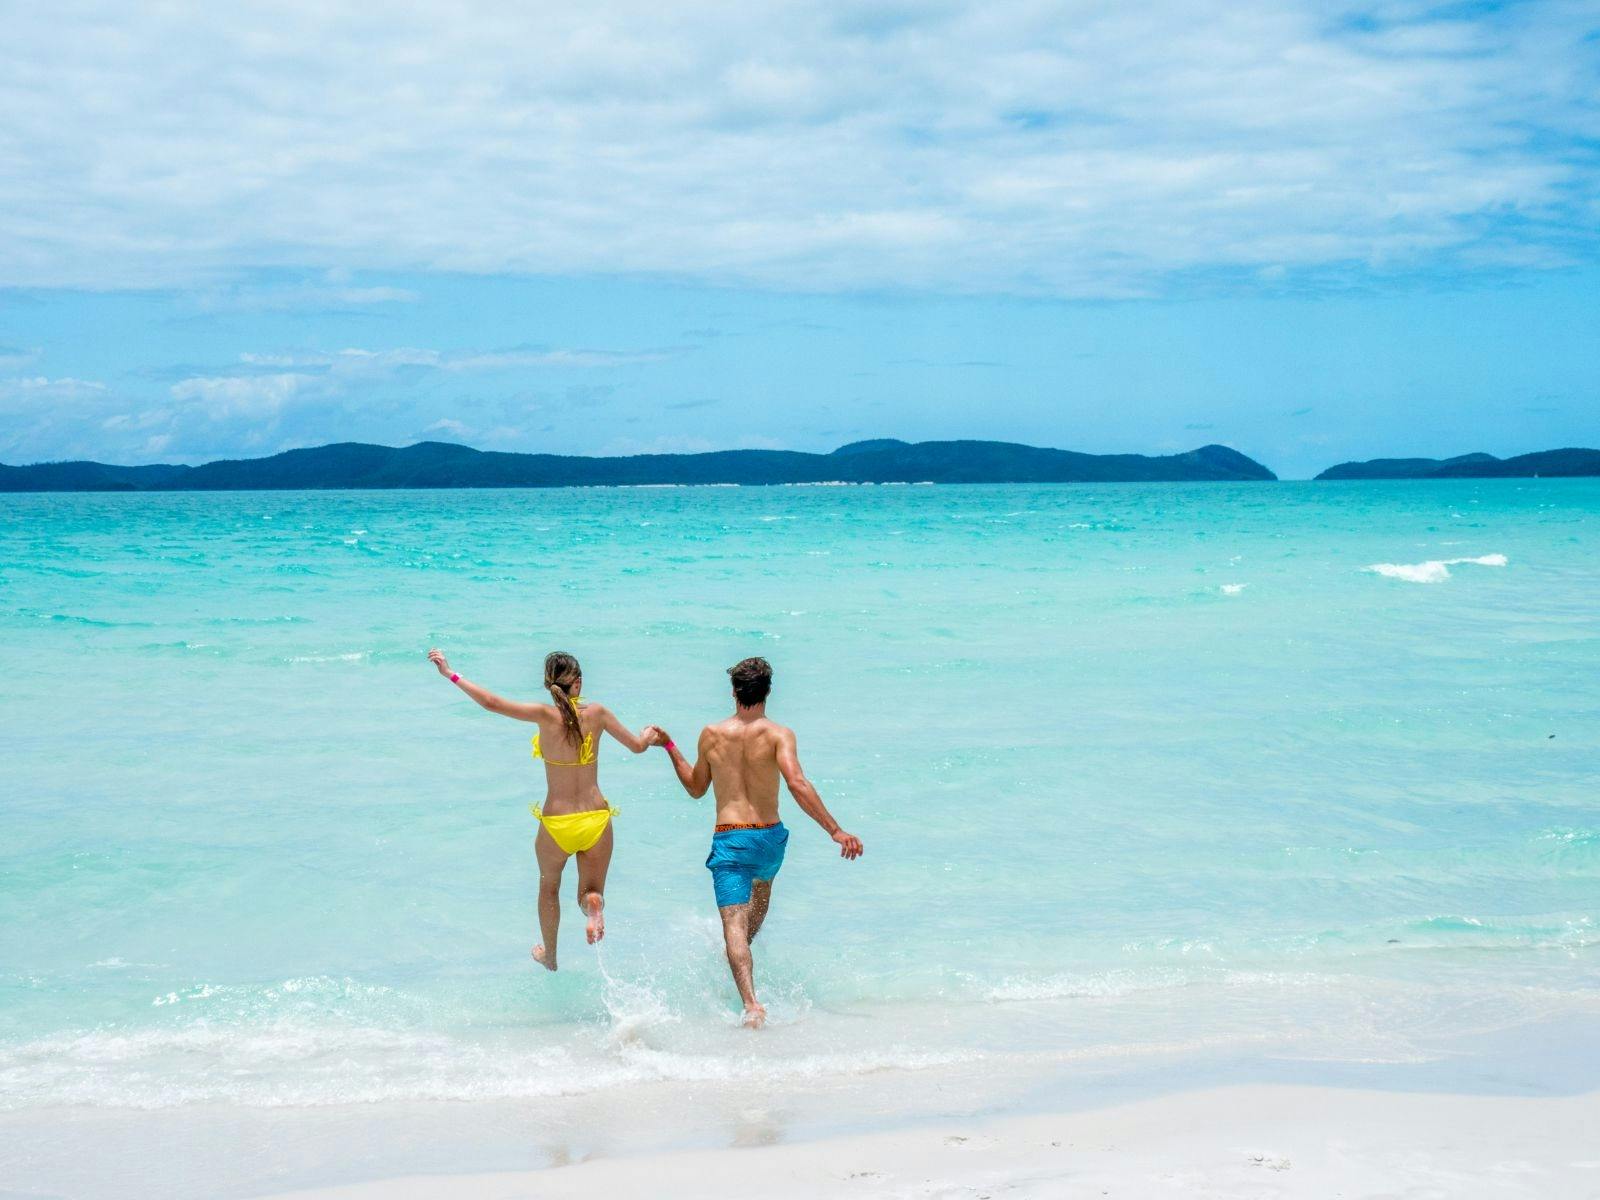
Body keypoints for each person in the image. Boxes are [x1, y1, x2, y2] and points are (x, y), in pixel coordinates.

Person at [651, 657, 863, 1028]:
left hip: (731, 840)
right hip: (769, 839)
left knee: (734, 925)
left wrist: (669, 745)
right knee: (757, 903)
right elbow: (797, 784)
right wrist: (835, 830)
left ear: (734, 691)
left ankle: (751, 1004)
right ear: (768, 691)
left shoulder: (712, 734)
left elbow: (696, 788)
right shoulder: (780, 734)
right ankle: (739, 960)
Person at [427, 647, 657, 971]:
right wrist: (648, 736)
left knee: (549, 888)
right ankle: (593, 908)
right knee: (591, 891)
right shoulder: (599, 713)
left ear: (549, 684)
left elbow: (491, 703)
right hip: (596, 818)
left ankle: (550, 955)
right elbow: (637, 746)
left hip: (557, 823)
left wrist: (450, 673)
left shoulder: (544, 715)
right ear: (578, 682)